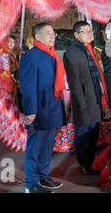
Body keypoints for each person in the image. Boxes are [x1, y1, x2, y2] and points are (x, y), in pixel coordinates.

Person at [19, 23, 66, 193]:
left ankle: (43, 176)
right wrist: (30, 110)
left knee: (47, 147)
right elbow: (27, 85)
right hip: (38, 109)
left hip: (52, 107)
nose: (53, 36)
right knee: (34, 148)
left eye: (53, 33)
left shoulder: (52, 55)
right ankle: (31, 184)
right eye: (48, 33)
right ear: (37, 37)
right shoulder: (31, 56)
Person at [63, 21, 108, 174]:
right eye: (85, 32)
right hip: (84, 102)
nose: (89, 34)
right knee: (83, 134)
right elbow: (74, 82)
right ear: (76, 35)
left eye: (90, 31)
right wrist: (81, 105)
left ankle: (90, 161)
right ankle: (84, 163)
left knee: (94, 133)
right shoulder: (72, 52)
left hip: (94, 98)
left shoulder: (88, 50)